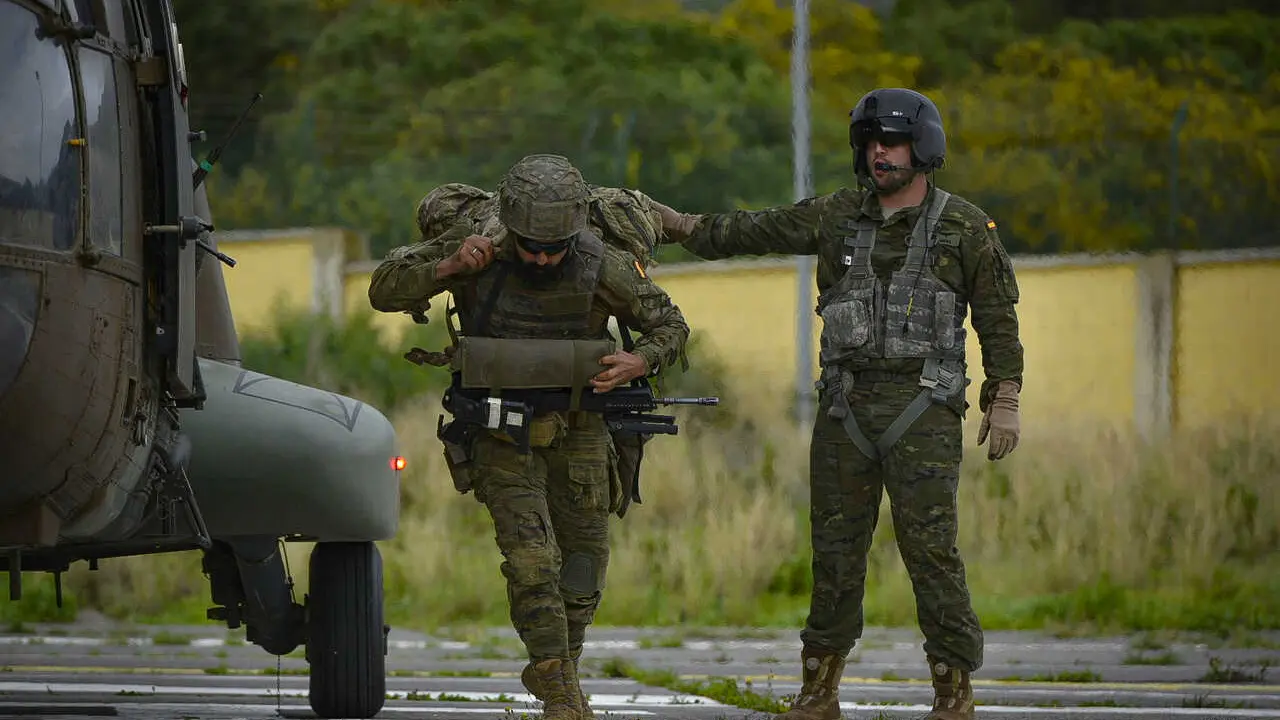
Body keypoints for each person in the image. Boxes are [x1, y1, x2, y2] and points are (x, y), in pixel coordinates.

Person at [652, 88, 1024, 720]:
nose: (881, 152)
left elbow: (996, 318)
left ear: (923, 149)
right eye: (872, 141)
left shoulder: (965, 227)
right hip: (846, 411)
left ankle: (952, 690)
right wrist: (679, 226)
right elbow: (755, 229)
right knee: (835, 553)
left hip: (924, 411)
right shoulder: (836, 216)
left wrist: (1005, 394)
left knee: (931, 550)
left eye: (894, 141)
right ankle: (819, 690)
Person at [367, 154, 690, 720]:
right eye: (531, 247)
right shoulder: (475, 244)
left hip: (582, 427)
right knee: (531, 561)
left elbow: (670, 324)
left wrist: (640, 360)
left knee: (583, 566)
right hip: (499, 430)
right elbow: (384, 287)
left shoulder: (600, 262)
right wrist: (448, 269)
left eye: (554, 248)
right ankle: (562, 694)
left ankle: (556, 664)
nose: (542, 258)